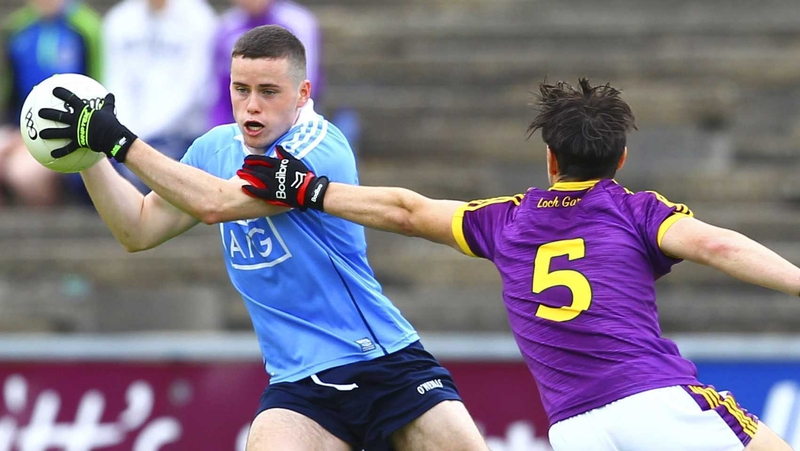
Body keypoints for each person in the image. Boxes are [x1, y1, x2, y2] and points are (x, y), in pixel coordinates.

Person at [236, 78, 797, 451]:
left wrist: (307, 188)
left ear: (550, 158)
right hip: (653, 397)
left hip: (575, 429)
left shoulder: (505, 221)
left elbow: (407, 211)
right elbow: (720, 246)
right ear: (620, 160)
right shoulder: (635, 210)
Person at [36, 25, 489, 451]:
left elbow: (217, 204)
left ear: (302, 93)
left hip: (383, 363)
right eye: (241, 89)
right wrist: (85, 154)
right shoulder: (213, 148)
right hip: (298, 384)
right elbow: (137, 228)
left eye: (268, 92)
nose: (252, 106)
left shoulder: (317, 145)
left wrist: (119, 142)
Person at [102, 0, 217, 193]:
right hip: (128, 128)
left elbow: (192, 89)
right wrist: (125, 130)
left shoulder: (199, 19)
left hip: (180, 135)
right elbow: (116, 83)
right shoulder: (118, 20)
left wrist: (139, 135)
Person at [0, 0, 102, 206]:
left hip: (68, 129)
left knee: (24, 174)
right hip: (21, 127)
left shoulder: (86, 28)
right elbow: (10, 93)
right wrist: (13, 132)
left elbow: (99, 89)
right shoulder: (18, 28)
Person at [209, 0, 321, 128]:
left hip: (287, 121)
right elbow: (218, 86)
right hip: (235, 121)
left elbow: (306, 76)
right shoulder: (225, 27)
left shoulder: (297, 22)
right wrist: (218, 127)